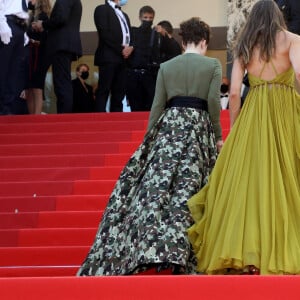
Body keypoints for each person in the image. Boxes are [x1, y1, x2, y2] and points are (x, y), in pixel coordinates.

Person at [77, 17, 223, 276]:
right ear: (204, 41)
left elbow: (157, 105)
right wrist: (218, 134)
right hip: (198, 129)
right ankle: (186, 253)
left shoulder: (167, 66)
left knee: (160, 192)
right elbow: (213, 102)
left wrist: (148, 141)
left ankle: (153, 249)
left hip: (169, 128)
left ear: (181, 40)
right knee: (193, 191)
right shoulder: (212, 65)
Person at [188, 0, 300, 275]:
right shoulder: (293, 39)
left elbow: (235, 92)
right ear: (278, 17)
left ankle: (249, 253)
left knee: (250, 183)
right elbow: (299, 73)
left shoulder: (245, 45)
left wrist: (235, 127)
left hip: (254, 113)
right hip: (286, 111)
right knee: (287, 176)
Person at [31, 0, 82, 113]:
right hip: (66, 45)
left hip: (61, 46)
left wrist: (43, 24)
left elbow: (60, 18)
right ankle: (64, 116)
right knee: (63, 82)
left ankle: (63, 117)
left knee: (61, 84)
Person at [126, 7, 181, 112]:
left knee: (151, 108)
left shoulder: (156, 34)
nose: (147, 20)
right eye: (145, 17)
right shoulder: (133, 32)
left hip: (150, 76)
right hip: (134, 75)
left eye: (150, 18)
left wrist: (164, 35)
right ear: (140, 17)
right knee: (135, 108)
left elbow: (171, 49)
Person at [93, 0, 133, 112]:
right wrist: (122, 49)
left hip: (124, 59)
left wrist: (131, 48)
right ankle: (99, 121)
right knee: (104, 90)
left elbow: (130, 34)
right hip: (109, 56)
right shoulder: (101, 9)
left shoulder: (124, 15)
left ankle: (117, 122)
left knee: (119, 93)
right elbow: (104, 33)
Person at [0, 0, 29, 115]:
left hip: (20, 26)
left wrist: (25, 32)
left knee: (14, 71)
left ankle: (7, 108)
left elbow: (22, 10)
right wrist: (2, 25)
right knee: (3, 70)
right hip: (7, 23)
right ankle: (1, 108)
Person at [26, 0, 51, 114]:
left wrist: (33, 40)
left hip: (39, 55)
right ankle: (31, 116)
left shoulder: (44, 17)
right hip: (30, 55)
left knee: (36, 86)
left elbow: (45, 38)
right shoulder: (31, 15)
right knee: (29, 87)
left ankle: (36, 116)